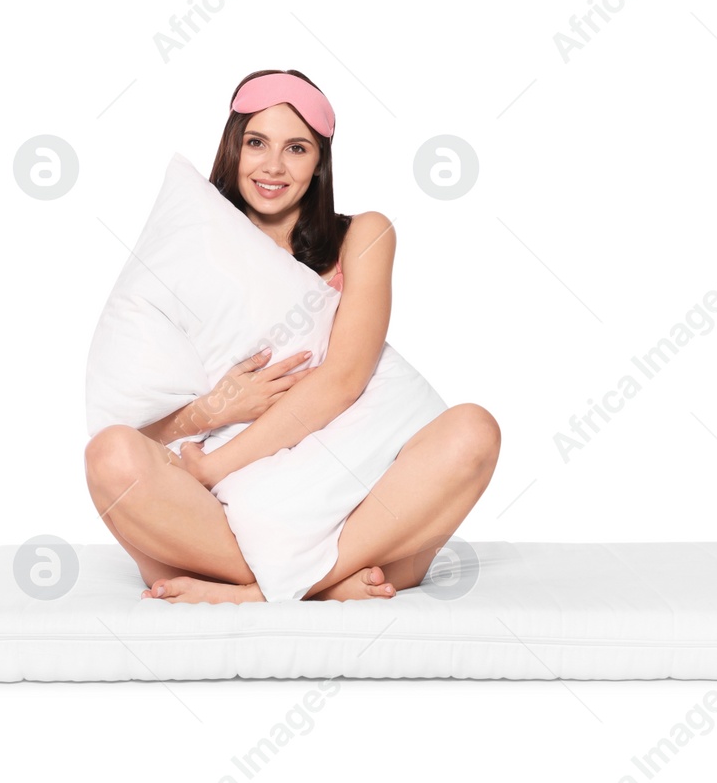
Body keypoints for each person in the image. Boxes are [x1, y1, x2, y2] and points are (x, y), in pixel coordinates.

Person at [84, 69, 500, 603]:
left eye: (297, 148)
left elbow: (345, 379)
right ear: (233, 147)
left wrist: (214, 467)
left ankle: (256, 594)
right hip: (221, 522)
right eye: (256, 142)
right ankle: (319, 584)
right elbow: (147, 429)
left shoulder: (364, 235)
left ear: (319, 162)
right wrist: (212, 412)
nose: (273, 166)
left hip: (356, 500)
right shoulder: (192, 248)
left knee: (474, 430)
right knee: (109, 455)